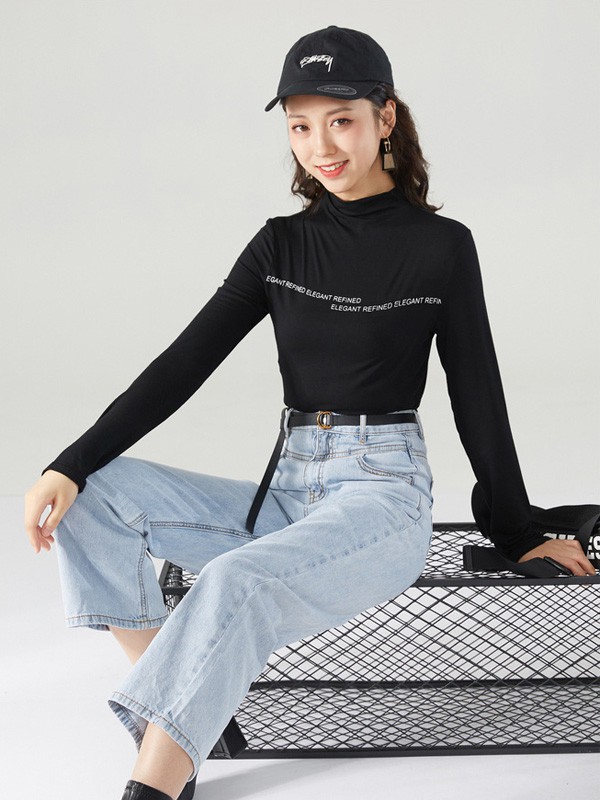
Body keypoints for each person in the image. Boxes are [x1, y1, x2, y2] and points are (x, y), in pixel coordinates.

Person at [23, 24, 596, 800]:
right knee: (94, 498)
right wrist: (69, 464)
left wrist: (520, 529)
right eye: (299, 126)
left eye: (341, 120)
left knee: (236, 580)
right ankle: (194, 706)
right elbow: (182, 366)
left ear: (385, 118)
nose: (320, 146)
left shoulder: (442, 247)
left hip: (381, 498)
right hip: (288, 491)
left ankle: (158, 773)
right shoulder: (280, 246)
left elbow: (477, 392)